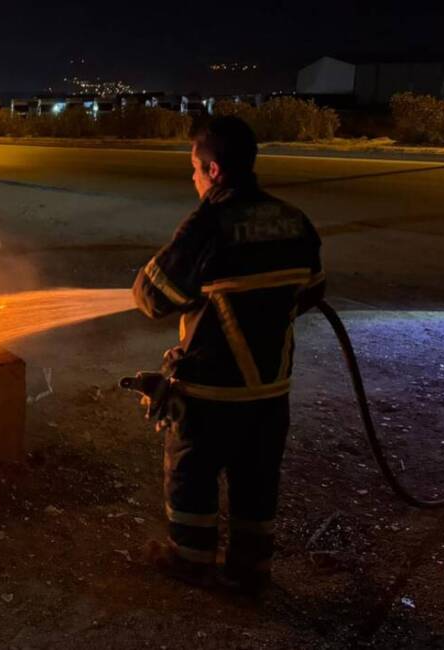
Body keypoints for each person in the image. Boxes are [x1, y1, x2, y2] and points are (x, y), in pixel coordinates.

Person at [131, 116, 324, 593]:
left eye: (194, 168)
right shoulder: (293, 219)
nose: (191, 178)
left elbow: (151, 296)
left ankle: (190, 560)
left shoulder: (209, 223)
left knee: (192, 477)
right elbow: (312, 292)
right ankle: (250, 569)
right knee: (257, 482)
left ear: (214, 171)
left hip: (210, 392)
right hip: (269, 392)